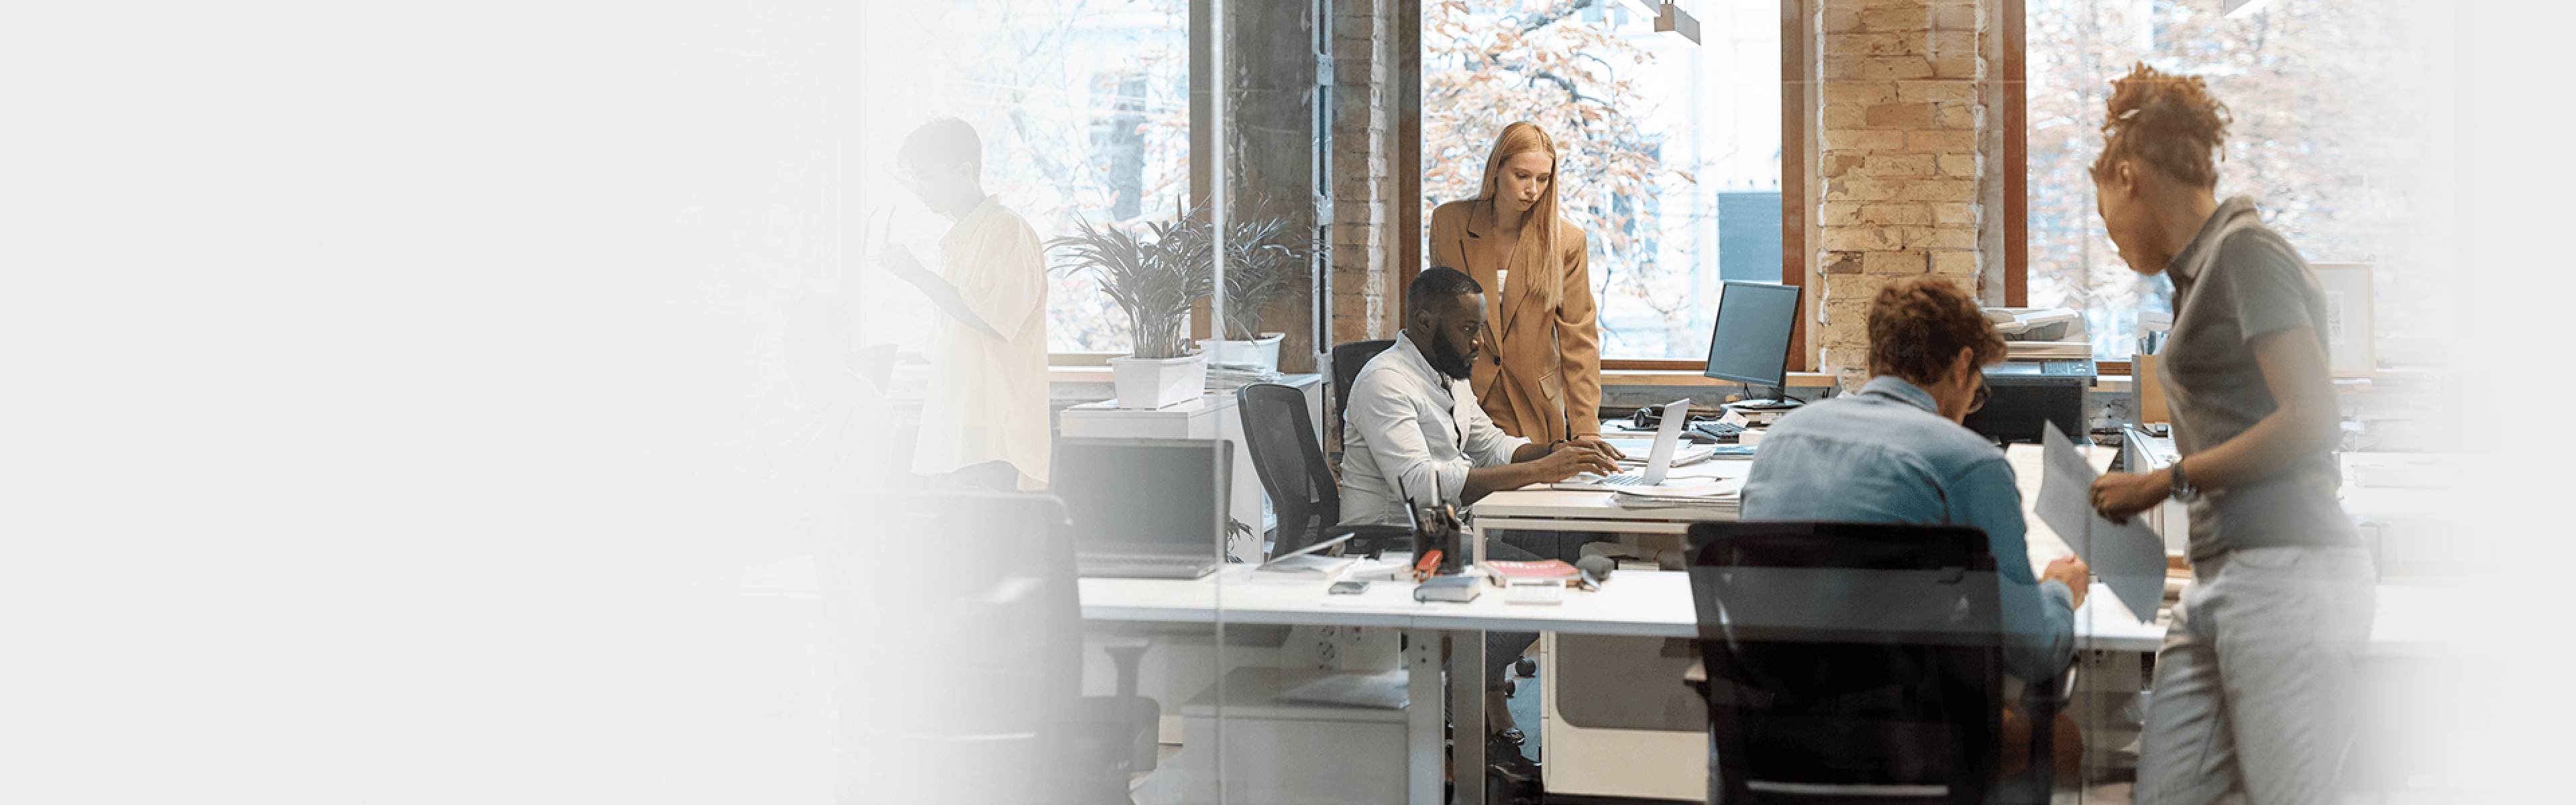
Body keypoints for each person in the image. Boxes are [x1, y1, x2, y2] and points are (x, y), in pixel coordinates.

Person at [2082, 64, 2373, 805]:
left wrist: (2167, 480)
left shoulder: (2246, 253)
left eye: (2102, 209)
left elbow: (2311, 420)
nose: (2108, 235)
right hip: (2222, 577)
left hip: (2289, 573)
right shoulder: (2197, 276)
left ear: (2127, 176)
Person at [1740, 277, 2093, 769]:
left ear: (1872, 361)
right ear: (1964, 366)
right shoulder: (1969, 461)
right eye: (1976, 391)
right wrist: (2059, 591)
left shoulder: (1780, 440)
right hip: (1909, 740)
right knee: (2064, 740)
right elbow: (2031, 653)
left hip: (1775, 734)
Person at [1338, 266, 1618, 754]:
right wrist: (1543, 471)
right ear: (1425, 322)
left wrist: (1564, 453)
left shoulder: (1449, 377)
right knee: (1550, 582)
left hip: (1447, 526)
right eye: (1469, 328)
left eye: (1481, 328)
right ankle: (1444, 705)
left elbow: (1492, 446)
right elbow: (1424, 490)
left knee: (1574, 538)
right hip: (1400, 538)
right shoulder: (1385, 382)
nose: (1480, 342)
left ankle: (1467, 693)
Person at [1428, 121, 1622, 566]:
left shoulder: (1566, 241)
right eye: (1522, 176)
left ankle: (1533, 630)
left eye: (1544, 179)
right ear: (1497, 170)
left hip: (1534, 407)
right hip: (1465, 400)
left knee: (1532, 543)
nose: (1533, 189)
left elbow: (1578, 341)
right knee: (1472, 538)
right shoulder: (1450, 222)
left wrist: (1587, 429)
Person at [875, 118, 1050, 492]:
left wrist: (916, 274)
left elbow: (992, 319)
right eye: (915, 180)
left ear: (965, 171)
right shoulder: (961, 238)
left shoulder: (1006, 230)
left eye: (927, 177)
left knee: (977, 546)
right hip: (961, 432)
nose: (920, 191)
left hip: (992, 433)